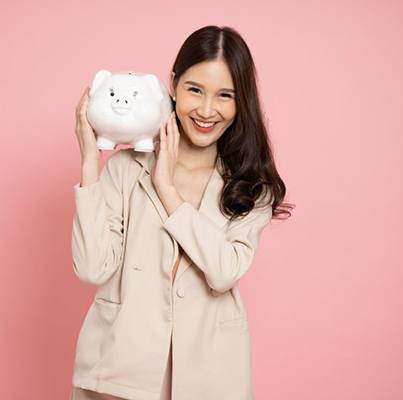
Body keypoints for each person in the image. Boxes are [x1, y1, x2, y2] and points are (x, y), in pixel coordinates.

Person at [70, 25, 293, 400]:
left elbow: (223, 272)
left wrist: (168, 192)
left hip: (211, 378)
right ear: (172, 83)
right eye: (195, 90)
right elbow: (93, 268)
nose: (207, 111)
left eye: (225, 95)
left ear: (242, 102)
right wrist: (91, 164)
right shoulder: (127, 168)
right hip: (118, 374)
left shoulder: (251, 187)